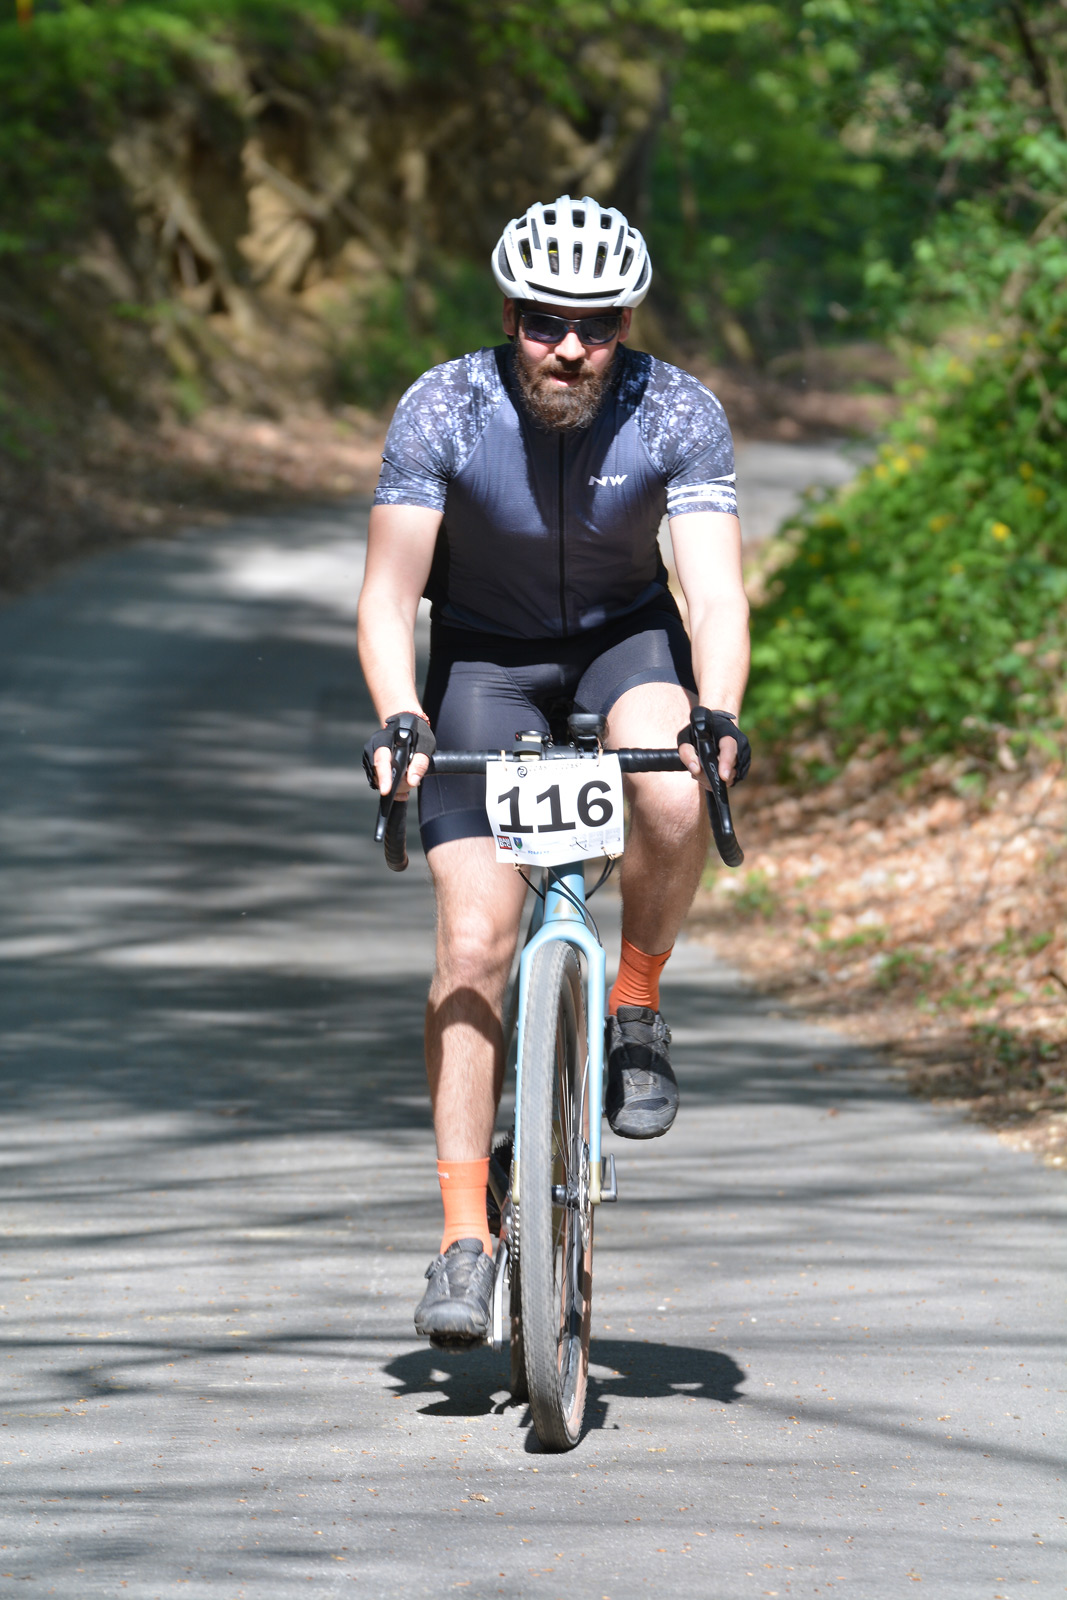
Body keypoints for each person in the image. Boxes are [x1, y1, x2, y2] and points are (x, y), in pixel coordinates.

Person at [357, 194, 750, 1346]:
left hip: (625, 646)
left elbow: (713, 591)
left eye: (593, 322)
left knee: (672, 789)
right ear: (508, 313)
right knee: (471, 944)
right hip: (484, 661)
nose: (568, 346)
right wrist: (398, 716)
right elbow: (388, 597)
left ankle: (632, 998)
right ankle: (463, 1239)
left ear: (624, 322)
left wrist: (714, 708)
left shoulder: (676, 410)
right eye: (542, 320)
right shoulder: (443, 405)